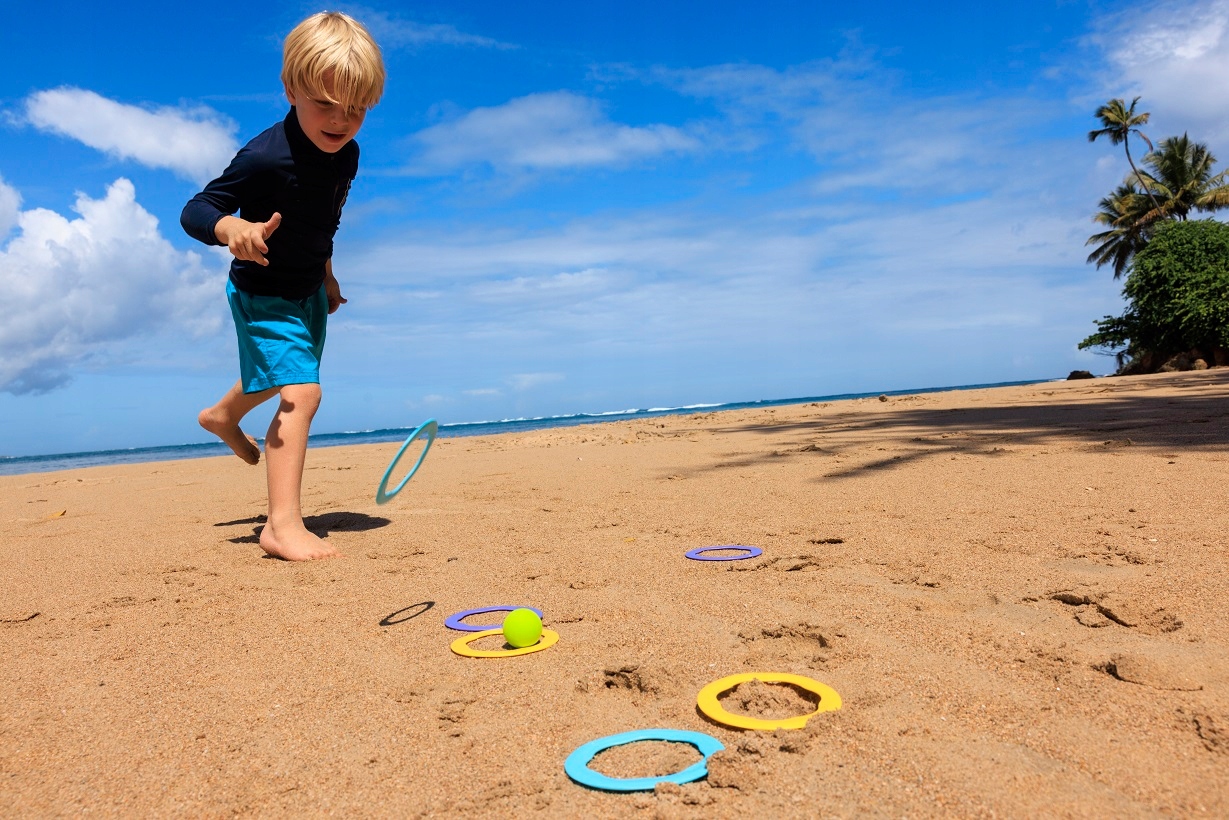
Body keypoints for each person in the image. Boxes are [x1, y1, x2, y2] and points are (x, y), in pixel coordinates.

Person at [181, 11, 384, 560]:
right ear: (291, 90)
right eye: (326, 103)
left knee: (289, 375)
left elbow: (324, 221)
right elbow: (197, 208)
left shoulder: (347, 154)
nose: (341, 120)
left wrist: (328, 275)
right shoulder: (264, 156)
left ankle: (223, 416)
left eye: (357, 108)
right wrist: (232, 229)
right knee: (302, 392)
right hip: (262, 292)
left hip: (308, 289)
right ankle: (281, 525)